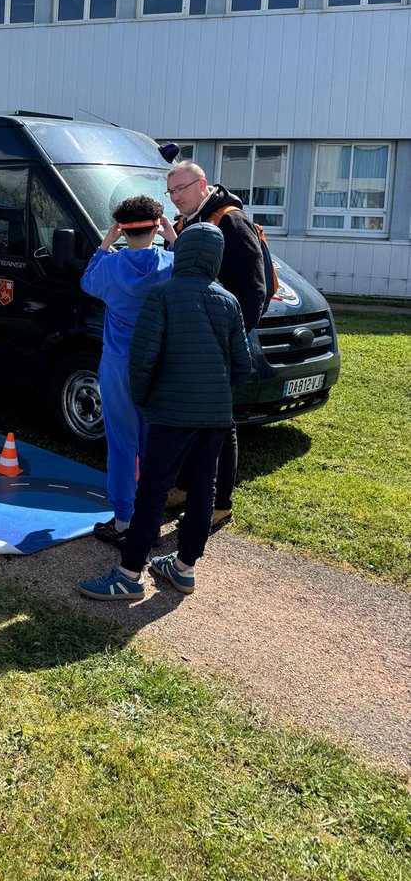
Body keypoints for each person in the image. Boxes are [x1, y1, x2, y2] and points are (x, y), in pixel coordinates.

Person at [79, 223, 253, 601]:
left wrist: (145, 400)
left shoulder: (162, 295)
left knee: (153, 492)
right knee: (203, 490)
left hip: (171, 411)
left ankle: (128, 574)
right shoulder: (228, 300)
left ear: (184, 251)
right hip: (216, 416)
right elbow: (243, 364)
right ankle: (184, 567)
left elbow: (142, 360)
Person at [161, 160, 267, 526]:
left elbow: (255, 289)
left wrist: (231, 339)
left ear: (202, 184)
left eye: (182, 190)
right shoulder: (183, 224)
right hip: (189, 341)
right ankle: (189, 488)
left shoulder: (229, 220)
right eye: (171, 192)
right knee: (191, 420)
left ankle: (220, 503)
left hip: (218, 343)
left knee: (222, 426)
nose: (176, 198)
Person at [81, 195, 174, 544]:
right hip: (158, 367)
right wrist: (173, 236)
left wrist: (105, 243)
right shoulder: (169, 262)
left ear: (122, 229)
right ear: (157, 226)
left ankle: (123, 520)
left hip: (118, 367)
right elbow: (192, 267)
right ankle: (151, 516)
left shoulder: (108, 266)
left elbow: (86, 281)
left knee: (122, 445)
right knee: (154, 446)